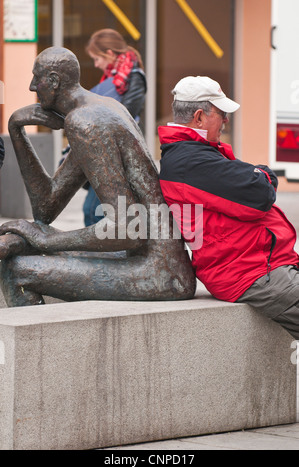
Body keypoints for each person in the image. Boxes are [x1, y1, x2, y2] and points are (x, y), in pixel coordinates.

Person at [0, 46, 196, 307]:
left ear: (55, 81)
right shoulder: (97, 109)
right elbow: (46, 207)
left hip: (161, 271)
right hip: (144, 257)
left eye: (37, 78)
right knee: (23, 246)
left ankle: (48, 348)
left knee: (17, 271)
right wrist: (16, 129)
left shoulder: (85, 121)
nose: (31, 86)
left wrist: (49, 238)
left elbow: (127, 230)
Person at [158, 75, 299, 340]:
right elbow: (259, 195)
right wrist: (260, 173)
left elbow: (254, 185)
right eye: (221, 113)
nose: (226, 120)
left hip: (261, 265)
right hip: (249, 272)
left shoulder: (195, 154)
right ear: (199, 117)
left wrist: (258, 175)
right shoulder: (191, 162)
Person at [82, 28, 147, 226]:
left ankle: (103, 254)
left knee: (96, 212)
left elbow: (124, 118)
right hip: (106, 153)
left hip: (117, 156)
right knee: (96, 211)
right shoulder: (112, 80)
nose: (96, 64)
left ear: (109, 53)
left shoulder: (134, 78)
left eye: (97, 59)